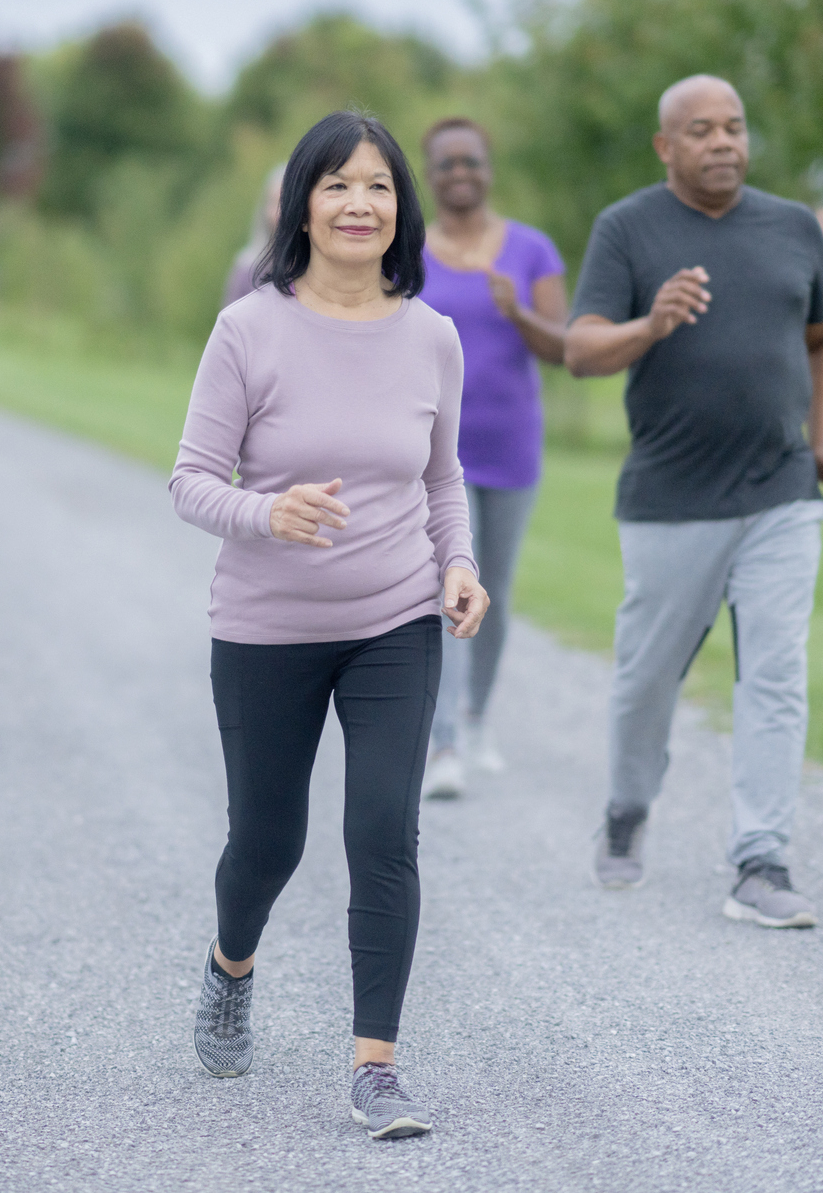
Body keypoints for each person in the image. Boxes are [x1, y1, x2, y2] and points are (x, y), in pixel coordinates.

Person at [170, 110, 488, 1139]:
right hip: (265, 625)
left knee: (382, 832)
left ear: (401, 210)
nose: (359, 203)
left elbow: (443, 477)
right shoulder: (249, 328)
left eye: (379, 187)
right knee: (267, 841)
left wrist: (460, 562)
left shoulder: (431, 336)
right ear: (303, 203)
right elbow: (189, 481)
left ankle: (377, 1065)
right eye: (338, 184)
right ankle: (230, 965)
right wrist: (270, 512)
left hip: (395, 616)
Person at [565, 75, 823, 927]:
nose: (723, 142)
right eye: (700, 130)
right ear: (665, 146)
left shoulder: (793, 226)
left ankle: (759, 860)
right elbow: (582, 351)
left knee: (774, 673)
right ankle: (626, 804)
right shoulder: (627, 229)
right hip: (670, 500)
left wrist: (822, 439)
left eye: (733, 126)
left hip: (779, 490)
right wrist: (649, 325)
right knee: (645, 679)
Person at [413, 116, 568, 801]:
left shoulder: (531, 251)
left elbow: (562, 349)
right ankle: (442, 739)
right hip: (433, 449)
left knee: (494, 593)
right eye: (444, 164)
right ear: (429, 173)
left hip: (509, 445)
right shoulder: (407, 251)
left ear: (488, 167)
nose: (458, 174)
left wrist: (518, 312)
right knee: (446, 586)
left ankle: (476, 716)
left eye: (469, 161)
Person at [222, 164, 285, 307]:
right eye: (274, 202)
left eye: (287, 202)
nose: (280, 212)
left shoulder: (317, 267)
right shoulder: (246, 266)